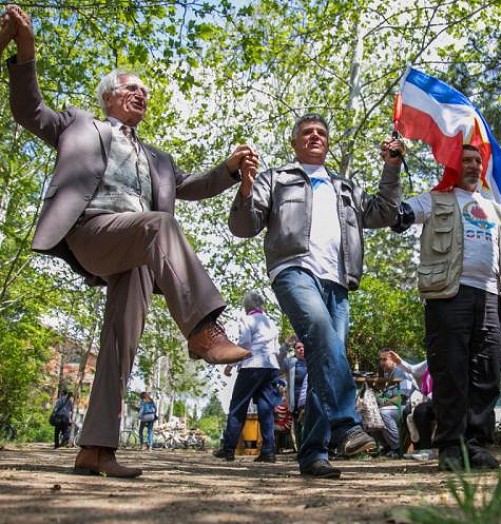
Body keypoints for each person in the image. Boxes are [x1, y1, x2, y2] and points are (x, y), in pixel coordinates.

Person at [1, 6, 256, 478]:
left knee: (121, 344)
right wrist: (26, 51)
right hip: (92, 230)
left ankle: (96, 449)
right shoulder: (78, 125)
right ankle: (203, 330)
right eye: (131, 88)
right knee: (160, 224)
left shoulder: (159, 159)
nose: (141, 94)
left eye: (145, 92)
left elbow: (193, 186)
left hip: (136, 252)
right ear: (108, 97)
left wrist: (228, 169)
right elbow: (28, 109)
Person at [229, 113, 404, 478]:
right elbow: (244, 227)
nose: (314, 136)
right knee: (323, 336)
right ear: (294, 142)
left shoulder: (345, 187)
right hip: (292, 270)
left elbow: (384, 213)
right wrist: (245, 188)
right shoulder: (276, 178)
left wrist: (391, 168)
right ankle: (345, 425)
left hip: (338, 281)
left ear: (328, 142)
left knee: (327, 358)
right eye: (306, 132)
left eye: (321, 132)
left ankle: (313, 454)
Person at [391, 145, 501, 471]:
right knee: (450, 372)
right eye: (466, 160)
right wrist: (393, 166)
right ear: (454, 165)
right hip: (448, 295)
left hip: (491, 297)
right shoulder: (435, 200)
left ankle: (475, 445)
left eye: (478, 161)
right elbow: (396, 218)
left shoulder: (495, 208)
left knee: (487, 372)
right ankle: (450, 446)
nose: (474, 165)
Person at [214, 291, 282, 463]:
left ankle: (229, 449)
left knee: (238, 405)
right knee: (266, 408)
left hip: (252, 365)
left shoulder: (247, 319)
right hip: (270, 366)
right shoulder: (271, 323)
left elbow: (244, 344)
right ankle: (268, 450)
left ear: (247, 307)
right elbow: (277, 348)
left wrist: (231, 363)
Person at [375, 348, 412, 458]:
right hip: (390, 406)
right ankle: (387, 446)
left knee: (383, 412)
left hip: (403, 407)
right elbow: (382, 395)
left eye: (384, 359)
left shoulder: (402, 373)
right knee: (368, 414)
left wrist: (384, 403)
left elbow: (402, 398)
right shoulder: (386, 375)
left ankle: (397, 448)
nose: (382, 363)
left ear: (394, 360)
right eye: (380, 360)